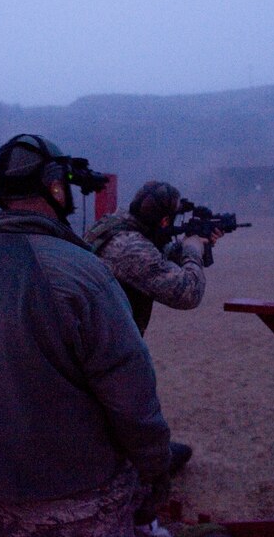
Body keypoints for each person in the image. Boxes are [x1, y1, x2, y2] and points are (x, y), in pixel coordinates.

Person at [0, 134, 173, 537]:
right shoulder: (83, 274)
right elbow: (131, 395)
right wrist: (156, 468)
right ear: (55, 185)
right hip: (80, 499)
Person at [84, 181, 223, 477]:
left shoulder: (119, 224)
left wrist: (196, 243)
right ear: (163, 220)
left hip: (92, 336)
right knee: (132, 404)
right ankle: (149, 469)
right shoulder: (131, 247)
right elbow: (187, 293)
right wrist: (193, 251)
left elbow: (155, 256)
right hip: (106, 348)